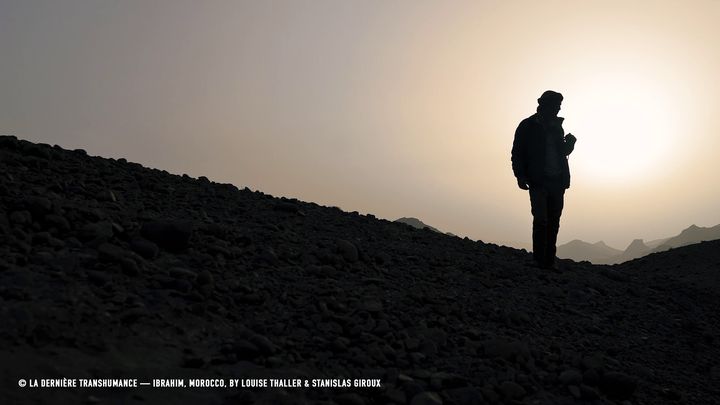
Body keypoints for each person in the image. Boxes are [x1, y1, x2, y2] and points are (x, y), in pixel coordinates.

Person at [511, 90, 576, 269]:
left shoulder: (557, 126)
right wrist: (520, 176)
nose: (558, 109)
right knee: (541, 220)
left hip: (557, 181)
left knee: (553, 221)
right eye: (556, 106)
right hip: (539, 181)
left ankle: (549, 261)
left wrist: (570, 145)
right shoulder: (527, 125)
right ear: (544, 105)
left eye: (559, 106)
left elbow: (561, 153)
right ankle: (539, 260)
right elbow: (517, 153)